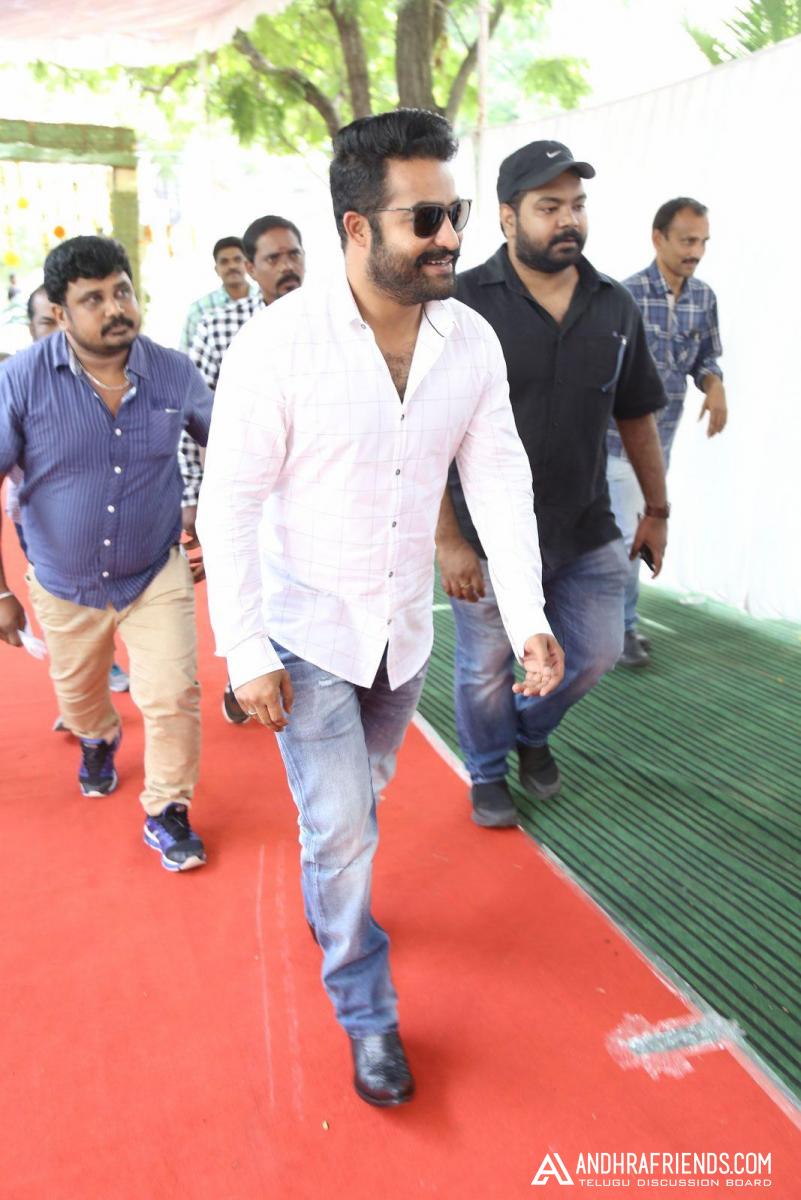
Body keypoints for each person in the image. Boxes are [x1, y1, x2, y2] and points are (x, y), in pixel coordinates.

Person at [197, 109, 564, 1105]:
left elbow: (498, 480)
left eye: (454, 213)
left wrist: (527, 615)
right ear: (357, 228)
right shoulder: (278, 346)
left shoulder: (469, 341)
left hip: (402, 634)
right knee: (344, 829)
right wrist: (245, 651)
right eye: (425, 219)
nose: (451, 236)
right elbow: (227, 505)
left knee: (361, 799)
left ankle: (334, 892)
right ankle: (367, 1013)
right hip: (306, 631)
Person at [436, 140, 669, 829]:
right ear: (507, 217)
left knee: (596, 652)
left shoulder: (613, 305)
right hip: (483, 535)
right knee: (485, 666)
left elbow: (636, 414)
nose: (568, 219)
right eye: (548, 207)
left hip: (585, 525)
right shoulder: (458, 304)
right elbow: (423, 431)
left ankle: (531, 731)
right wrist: (447, 539)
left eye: (576, 205)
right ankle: (487, 773)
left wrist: (656, 509)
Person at [0, 236, 212, 872]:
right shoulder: (20, 380)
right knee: (79, 697)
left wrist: (221, 529)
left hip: (154, 571)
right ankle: (97, 736)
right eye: (93, 299)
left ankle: (168, 810)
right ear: (60, 312)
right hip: (64, 583)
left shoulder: (174, 372)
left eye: (121, 291)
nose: (115, 307)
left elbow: (234, 452)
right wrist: (2, 591)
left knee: (172, 694)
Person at [182, 215, 306, 725]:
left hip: (308, 490)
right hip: (243, 487)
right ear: (252, 269)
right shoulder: (219, 328)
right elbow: (189, 412)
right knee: (250, 580)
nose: (287, 266)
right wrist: (192, 494)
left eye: (294, 254)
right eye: (273, 259)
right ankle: (246, 670)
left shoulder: (335, 324)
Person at [607, 197, 726, 667]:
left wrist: (715, 387)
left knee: (633, 534)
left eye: (703, 242)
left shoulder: (704, 299)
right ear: (658, 239)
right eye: (687, 241)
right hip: (616, 445)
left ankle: (615, 626)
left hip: (662, 446)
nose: (696, 252)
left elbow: (706, 359)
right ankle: (621, 630)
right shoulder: (625, 297)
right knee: (626, 538)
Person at [3, 285, 131, 708]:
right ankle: (82, 696)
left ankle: (88, 684)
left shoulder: (109, 370)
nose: (59, 332)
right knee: (66, 604)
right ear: (32, 327)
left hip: (111, 514)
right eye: (47, 323)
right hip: (38, 523)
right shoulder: (17, 381)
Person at [178, 236, 258, 352]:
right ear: (216, 269)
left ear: (247, 264)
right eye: (224, 262)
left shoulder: (264, 299)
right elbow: (185, 354)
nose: (232, 266)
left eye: (237, 259)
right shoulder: (199, 309)